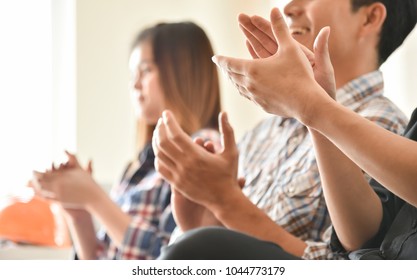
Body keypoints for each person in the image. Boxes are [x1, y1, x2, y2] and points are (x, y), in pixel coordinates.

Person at [153, 0, 417, 260]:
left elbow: (343, 263)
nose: (289, 7)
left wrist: (226, 203)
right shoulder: (262, 133)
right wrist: (208, 221)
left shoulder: (384, 125)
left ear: (369, 18)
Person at [31, 21, 222, 260]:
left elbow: (172, 260)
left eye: (145, 71)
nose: (134, 84)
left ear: (183, 72)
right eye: (133, 74)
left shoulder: (204, 147)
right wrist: (79, 211)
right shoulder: (139, 165)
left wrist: (95, 198)